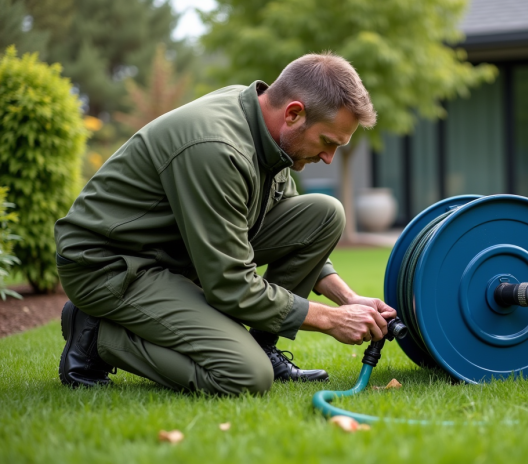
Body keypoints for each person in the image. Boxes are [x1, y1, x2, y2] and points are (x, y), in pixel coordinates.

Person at [55, 52, 396, 395]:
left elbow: (296, 224)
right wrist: (328, 319)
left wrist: (348, 299)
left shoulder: (267, 128)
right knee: (246, 376)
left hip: (177, 253)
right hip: (110, 266)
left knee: (325, 213)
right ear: (293, 113)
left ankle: (264, 347)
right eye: (327, 142)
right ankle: (98, 336)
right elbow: (231, 286)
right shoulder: (218, 148)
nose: (328, 158)